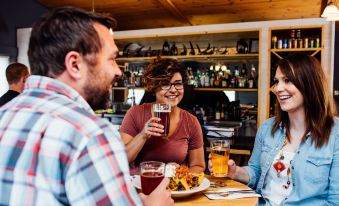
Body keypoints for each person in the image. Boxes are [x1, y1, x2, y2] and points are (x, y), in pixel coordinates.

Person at [0, 7, 173, 206]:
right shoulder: (90, 134)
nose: (118, 71)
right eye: (112, 59)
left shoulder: (4, 115)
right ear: (75, 64)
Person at [210, 53, 339, 205]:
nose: (278, 88)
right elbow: (256, 172)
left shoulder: (335, 134)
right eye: (276, 82)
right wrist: (235, 171)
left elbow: (335, 200)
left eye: (287, 80)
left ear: (309, 83)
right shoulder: (267, 128)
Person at [120, 58, 205, 174]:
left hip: (174, 189)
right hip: (141, 186)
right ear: (154, 87)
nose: (173, 90)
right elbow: (121, 161)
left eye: (178, 84)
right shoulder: (135, 114)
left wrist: (179, 176)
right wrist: (143, 135)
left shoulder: (191, 122)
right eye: (165, 84)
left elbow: (198, 166)